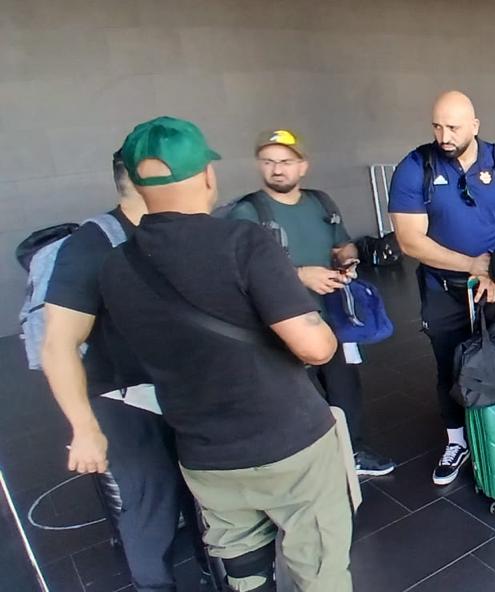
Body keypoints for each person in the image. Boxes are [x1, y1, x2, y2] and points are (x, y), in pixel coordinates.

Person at [100, 116, 357, 591]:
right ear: (207, 176)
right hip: (287, 441)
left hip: (203, 452)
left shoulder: (115, 266)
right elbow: (316, 348)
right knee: (319, 563)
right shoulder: (242, 241)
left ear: (136, 184)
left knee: (242, 569)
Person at [41, 149, 205, 592]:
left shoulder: (176, 230)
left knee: (201, 492)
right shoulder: (93, 244)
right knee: (150, 501)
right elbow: (58, 344)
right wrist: (84, 427)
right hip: (124, 396)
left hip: (183, 388)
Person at [227, 129, 395, 477]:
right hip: (280, 320)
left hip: (331, 314)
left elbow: (342, 243)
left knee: (344, 385)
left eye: (286, 162)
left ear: (302, 166)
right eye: (269, 162)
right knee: (294, 395)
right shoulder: (248, 213)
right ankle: (307, 467)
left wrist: (347, 261)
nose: (277, 170)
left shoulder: (321, 203)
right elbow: (240, 271)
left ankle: (352, 449)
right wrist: (301, 275)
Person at [388, 91, 495, 485]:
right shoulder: (414, 167)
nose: (444, 135)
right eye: (437, 126)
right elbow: (409, 240)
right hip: (443, 286)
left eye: (453, 127)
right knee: (448, 364)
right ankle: (457, 441)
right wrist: (471, 266)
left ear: (475, 126)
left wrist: (493, 272)